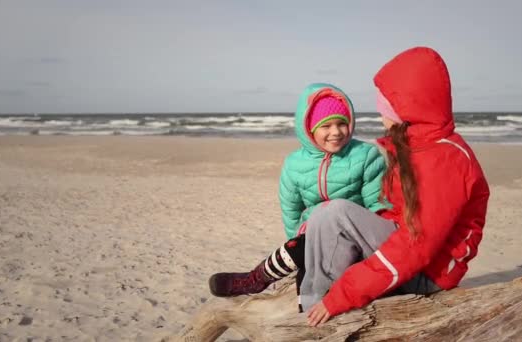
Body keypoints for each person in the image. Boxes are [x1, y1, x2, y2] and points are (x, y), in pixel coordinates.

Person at [303, 46, 490, 327]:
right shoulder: (418, 146)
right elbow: (399, 217)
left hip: (431, 273)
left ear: (408, 107)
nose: (381, 115)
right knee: (326, 216)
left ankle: (321, 307)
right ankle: (311, 302)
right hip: (414, 254)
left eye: (386, 105)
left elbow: (417, 246)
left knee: (336, 214)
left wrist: (342, 295)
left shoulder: (446, 159)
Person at [208, 83, 388, 301]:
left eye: (342, 123)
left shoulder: (366, 155)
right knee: (306, 274)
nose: (336, 132)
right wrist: (296, 240)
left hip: (351, 235)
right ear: (309, 128)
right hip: (309, 237)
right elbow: (291, 209)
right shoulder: (294, 163)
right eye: (326, 126)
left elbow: (378, 204)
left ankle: (259, 277)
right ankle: (257, 280)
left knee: (320, 257)